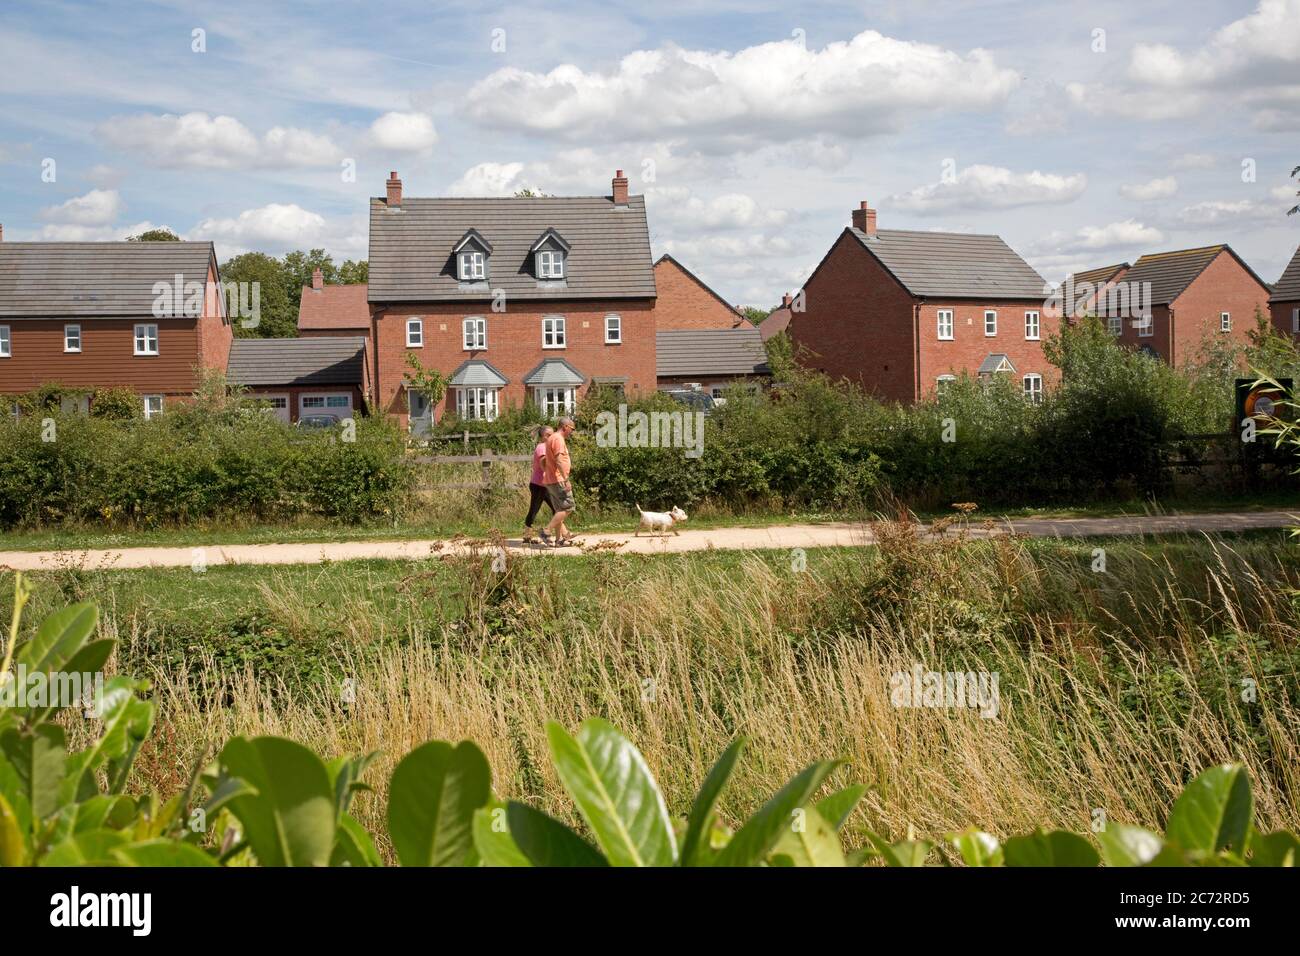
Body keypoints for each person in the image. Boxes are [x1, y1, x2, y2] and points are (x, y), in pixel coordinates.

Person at [543, 416, 577, 546]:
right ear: (565, 427)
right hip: (558, 479)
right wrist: (566, 479)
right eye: (572, 429)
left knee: (559, 510)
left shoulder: (552, 438)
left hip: (551, 479)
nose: (572, 432)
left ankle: (558, 540)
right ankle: (547, 530)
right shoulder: (558, 439)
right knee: (568, 507)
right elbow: (558, 460)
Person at [524, 425, 555, 543]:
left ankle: (559, 534)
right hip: (538, 485)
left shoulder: (547, 447)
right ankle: (530, 536)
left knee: (557, 509)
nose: (553, 437)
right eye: (550, 435)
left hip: (545, 484)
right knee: (534, 510)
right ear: (545, 436)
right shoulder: (542, 447)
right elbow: (544, 463)